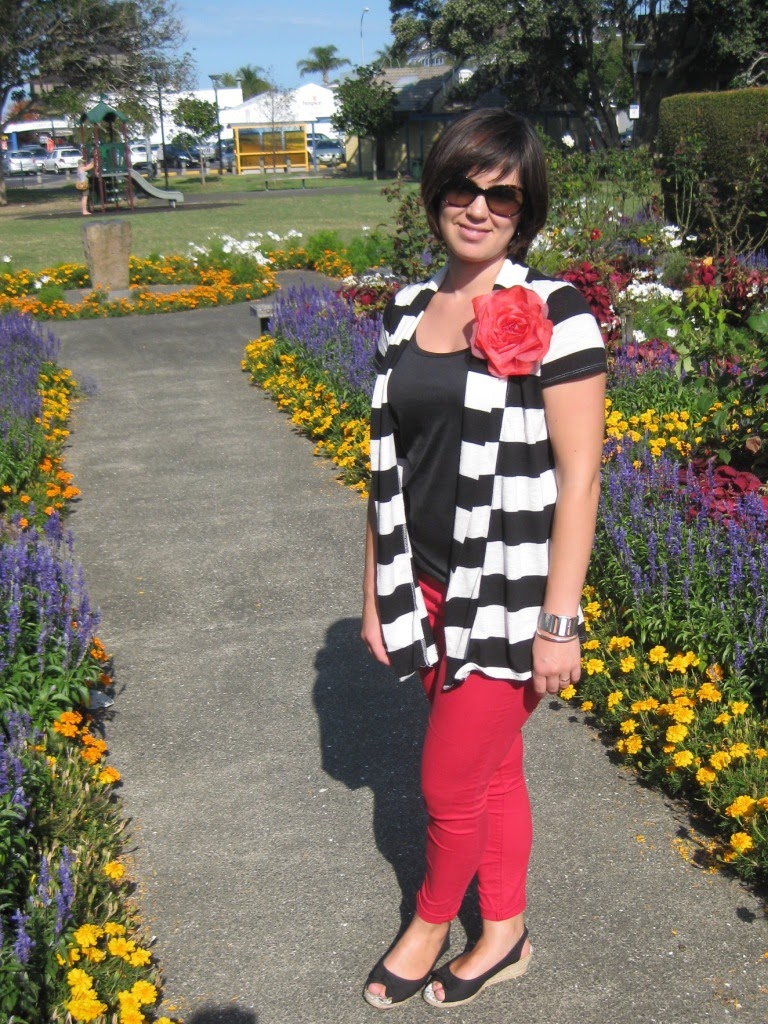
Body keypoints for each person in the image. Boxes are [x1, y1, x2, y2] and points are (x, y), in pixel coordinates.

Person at [361, 108, 607, 1010]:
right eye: (463, 188)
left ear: (524, 209)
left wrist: (558, 623)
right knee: (493, 769)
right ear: (437, 194)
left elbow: (580, 479)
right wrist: (375, 592)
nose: (478, 208)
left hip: (507, 597)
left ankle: (429, 924)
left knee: (447, 784)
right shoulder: (404, 311)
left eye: (501, 196)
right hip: (423, 584)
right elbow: (386, 465)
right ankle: (504, 933)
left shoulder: (555, 312)